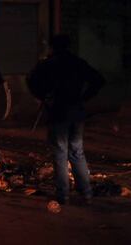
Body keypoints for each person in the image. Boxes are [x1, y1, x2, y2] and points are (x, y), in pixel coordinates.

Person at [27, 34, 105, 204]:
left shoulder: (48, 64)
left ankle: (64, 195)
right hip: (76, 111)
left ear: (52, 47)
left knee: (60, 152)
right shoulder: (77, 62)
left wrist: (43, 96)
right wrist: (84, 98)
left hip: (58, 111)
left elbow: (31, 80)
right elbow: (98, 80)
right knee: (77, 151)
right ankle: (86, 193)